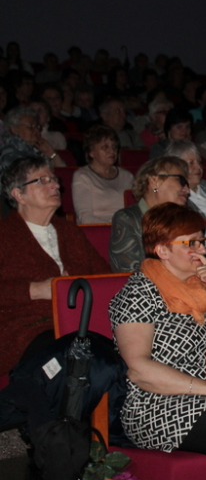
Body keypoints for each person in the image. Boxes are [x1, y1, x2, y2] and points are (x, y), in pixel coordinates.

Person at [110, 203, 206, 454]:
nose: (203, 249)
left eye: (202, 240)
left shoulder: (204, 287)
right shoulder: (138, 293)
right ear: (163, 250)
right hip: (159, 408)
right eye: (191, 243)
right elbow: (139, 370)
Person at [0, 155, 111, 376]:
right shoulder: (4, 235)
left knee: (119, 354)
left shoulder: (70, 232)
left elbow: (104, 278)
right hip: (25, 328)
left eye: (53, 179)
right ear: (18, 194)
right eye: (42, 180)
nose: (55, 185)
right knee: (75, 361)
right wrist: (36, 289)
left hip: (81, 323)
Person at [109, 156, 190, 272]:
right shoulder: (128, 219)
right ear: (154, 182)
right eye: (181, 181)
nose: (187, 190)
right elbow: (129, 274)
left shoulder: (188, 218)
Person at [72, 125, 135, 224]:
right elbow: (84, 218)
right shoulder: (82, 176)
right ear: (91, 152)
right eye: (105, 147)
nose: (112, 151)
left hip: (127, 230)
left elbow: (136, 211)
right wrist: (115, 227)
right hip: (98, 232)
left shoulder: (127, 176)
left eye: (114, 146)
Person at [0, 106, 66, 181]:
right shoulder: (10, 153)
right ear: (14, 130)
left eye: (37, 126)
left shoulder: (36, 150)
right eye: (30, 126)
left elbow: (64, 176)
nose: (36, 131)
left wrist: (52, 154)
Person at [163, 141, 206, 219]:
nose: (198, 167)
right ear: (175, 168)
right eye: (191, 163)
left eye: (199, 162)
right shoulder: (177, 198)